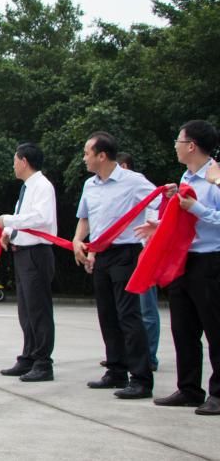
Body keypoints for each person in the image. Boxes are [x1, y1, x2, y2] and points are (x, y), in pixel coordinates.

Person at [138, 120, 220, 415]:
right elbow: (187, 222)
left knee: (214, 328)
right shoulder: (187, 177)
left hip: (211, 259)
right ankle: (188, 389)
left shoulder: (216, 176)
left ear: (192, 146)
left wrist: (193, 207)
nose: (175, 145)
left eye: (178, 140)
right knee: (183, 328)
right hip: (184, 259)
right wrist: (159, 225)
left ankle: (218, 394)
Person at [73, 131, 155, 399]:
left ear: (102, 155)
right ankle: (116, 370)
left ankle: (141, 378)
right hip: (101, 254)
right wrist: (78, 241)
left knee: (128, 315)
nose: (84, 158)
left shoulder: (133, 182)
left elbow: (159, 201)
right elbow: (86, 218)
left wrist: (152, 230)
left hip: (125, 253)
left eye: (87, 153)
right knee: (107, 315)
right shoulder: (90, 185)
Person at [0, 143, 58, 382]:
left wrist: (7, 220)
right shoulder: (27, 188)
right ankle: (29, 356)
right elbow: (25, 222)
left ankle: (43, 362)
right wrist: (9, 231)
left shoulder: (42, 186)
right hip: (22, 251)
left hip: (37, 253)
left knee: (38, 309)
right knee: (26, 309)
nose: (13, 165)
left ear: (23, 161)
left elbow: (41, 219)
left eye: (14, 160)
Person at [116, 152, 161, 372]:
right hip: (125, 255)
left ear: (123, 166)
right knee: (127, 309)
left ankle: (149, 355)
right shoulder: (116, 190)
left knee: (146, 309)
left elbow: (156, 211)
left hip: (145, 252)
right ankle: (126, 354)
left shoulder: (140, 186)